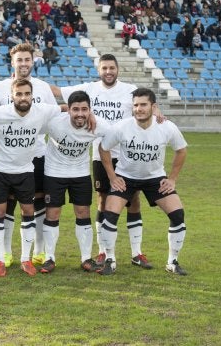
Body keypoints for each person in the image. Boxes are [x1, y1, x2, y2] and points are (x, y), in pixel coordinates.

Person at [53, 54, 156, 270]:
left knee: (133, 199)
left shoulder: (129, 90)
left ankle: (137, 252)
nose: (108, 71)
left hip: (127, 153)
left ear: (117, 69)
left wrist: (159, 112)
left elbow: (146, 104)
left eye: (111, 68)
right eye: (104, 68)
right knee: (102, 199)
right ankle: (102, 251)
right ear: (98, 70)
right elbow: (58, 93)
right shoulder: (89, 89)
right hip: (101, 154)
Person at [0, 43, 58, 270]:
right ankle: (6, 253)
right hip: (4, 157)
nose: (23, 63)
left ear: (33, 61)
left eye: (27, 59)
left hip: (36, 155)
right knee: (6, 206)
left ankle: (38, 252)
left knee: (36, 204)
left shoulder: (43, 88)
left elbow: (55, 118)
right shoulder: (0, 87)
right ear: (12, 62)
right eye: (19, 60)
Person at [97, 88, 188, 276]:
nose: (139, 109)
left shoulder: (167, 127)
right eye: (136, 105)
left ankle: (172, 262)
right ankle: (110, 260)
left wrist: (172, 179)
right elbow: (103, 148)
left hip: (154, 179)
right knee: (110, 215)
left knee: (178, 215)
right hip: (126, 178)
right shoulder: (122, 127)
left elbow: (181, 150)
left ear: (153, 107)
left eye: (143, 105)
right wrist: (113, 177)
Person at [41, 91, 111, 273]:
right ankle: (49, 258)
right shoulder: (54, 122)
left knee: (83, 213)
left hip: (80, 173)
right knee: (52, 214)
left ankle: (86, 258)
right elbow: (31, 118)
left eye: (84, 109)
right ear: (68, 110)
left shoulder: (99, 125)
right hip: (54, 172)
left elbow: (116, 135)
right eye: (76, 109)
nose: (80, 113)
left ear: (90, 110)